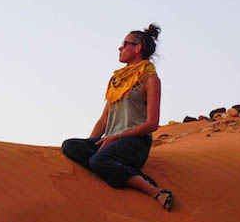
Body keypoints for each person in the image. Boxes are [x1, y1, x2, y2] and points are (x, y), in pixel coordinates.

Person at [61, 23, 174, 211]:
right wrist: (92, 144)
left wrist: (118, 137)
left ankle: (155, 191)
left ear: (137, 48)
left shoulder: (150, 80)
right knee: (71, 146)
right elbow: (104, 120)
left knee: (98, 161)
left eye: (125, 44)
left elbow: (152, 123)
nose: (120, 48)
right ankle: (114, 168)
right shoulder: (117, 81)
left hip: (134, 143)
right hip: (110, 142)